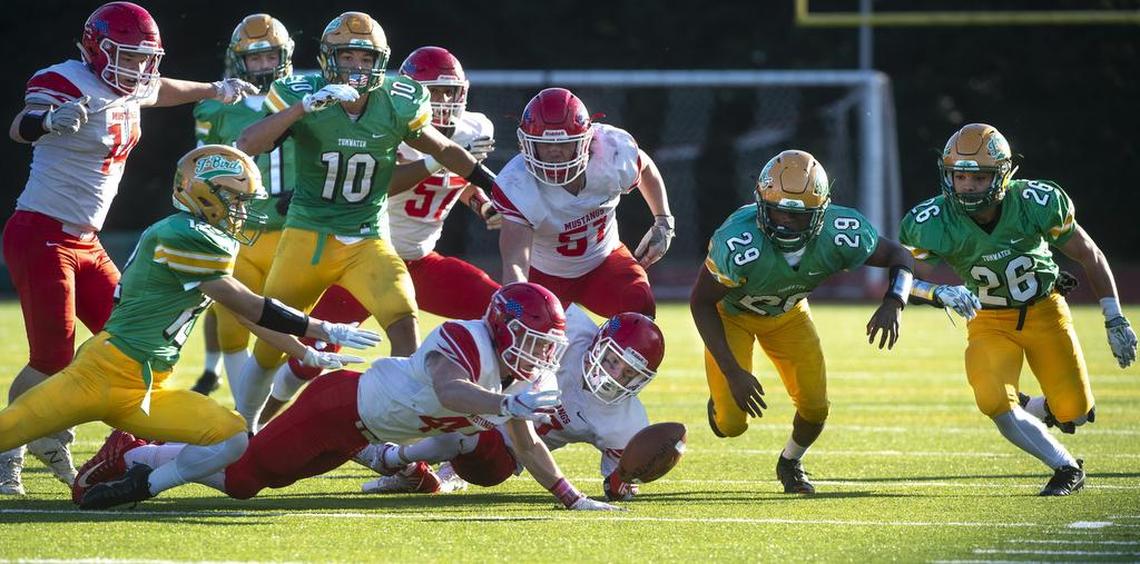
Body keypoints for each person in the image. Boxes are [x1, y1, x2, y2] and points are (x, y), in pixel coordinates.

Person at [0, 145, 379, 505]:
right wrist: (324, 329)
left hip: (148, 388)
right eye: (235, 199)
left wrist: (303, 352)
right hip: (99, 373)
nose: (241, 211)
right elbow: (250, 304)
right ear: (203, 194)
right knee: (8, 429)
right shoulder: (183, 234)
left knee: (233, 438)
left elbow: (244, 314)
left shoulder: (210, 237)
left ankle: (141, 482)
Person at [0, 1, 259, 495]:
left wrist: (214, 89)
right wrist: (50, 120)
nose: (139, 68)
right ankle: (8, 453)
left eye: (144, 58)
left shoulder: (134, 83)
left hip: (86, 240)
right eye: (129, 56)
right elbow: (20, 125)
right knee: (52, 356)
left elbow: (159, 89)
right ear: (97, 48)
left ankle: (92, 439)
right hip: (41, 232)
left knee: (128, 338)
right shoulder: (65, 79)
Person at [76, 283, 620, 512]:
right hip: (335, 409)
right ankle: (136, 452)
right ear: (502, 329)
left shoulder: (517, 379)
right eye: (532, 341)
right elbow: (452, 390)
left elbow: (527, 446)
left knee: (267, 478)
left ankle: (145, 455)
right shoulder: (464, 340)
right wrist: (503, 406)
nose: (538, 356)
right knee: (242, 481)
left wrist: (571, 497)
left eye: (546, 347)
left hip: (360, 430)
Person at [234, 11, 499, 431]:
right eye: (348, 57)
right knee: (272, 344)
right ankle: (245, 427)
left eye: (365, 58)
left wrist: (493, 187)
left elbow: (445, 151)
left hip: (368, 238)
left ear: (380, 62)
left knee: (404, 321)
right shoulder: (303, 92)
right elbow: (248, 142)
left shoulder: (396, 101)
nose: (357, 67)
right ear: (328, 59)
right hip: (308, 237)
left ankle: (400, 425)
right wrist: (303, 108)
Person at [690, 149, 978, 494]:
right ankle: (719, 403)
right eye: (777, 211)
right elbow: (701, 302)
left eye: (797, 215)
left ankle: (790, 462)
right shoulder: (737, 241)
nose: (784, 222)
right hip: (732, 316)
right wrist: (732, 371)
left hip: (788, 316)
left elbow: (898, 255)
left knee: (815, 409)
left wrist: (894, 300)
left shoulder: (839, 232)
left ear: (821, 212)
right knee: (731, 425)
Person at [899, 123, 1137, 496]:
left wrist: (1114, 317)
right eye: (960, 176)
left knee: (1075, 413)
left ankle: (1036, 407)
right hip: (988, 320)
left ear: (1003, 175)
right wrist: (937, 292)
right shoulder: (933, 220)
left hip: (1045, 312)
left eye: (979, 177)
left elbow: (1090, 255)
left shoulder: (1033, 203)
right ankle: (1066, 467)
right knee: (993, 400)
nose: (967, 185)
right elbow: (903, 279)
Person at [358, 307, 665, 501]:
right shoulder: (569, 328)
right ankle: (405, 464)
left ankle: (393, 458)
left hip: (505, 456)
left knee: (466, 433)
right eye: (613, 361)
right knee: (454, 402)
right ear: (598, 343)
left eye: (630, 374)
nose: (615, 376)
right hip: (489, 400)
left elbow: (617, 485)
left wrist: (626, 479)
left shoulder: (628, 423)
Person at [190, 13, 298, 397]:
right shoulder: (216, 108)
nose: (264, 65)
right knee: (233, 324)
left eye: (271, 56)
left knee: (289, 329)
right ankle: (245, 414)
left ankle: (271, 403)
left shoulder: (303, 97)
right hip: (239, 232)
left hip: (292, 232)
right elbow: (202, 169)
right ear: (240, 61)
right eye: (255, 58)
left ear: (284, 56)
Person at [493, 87, 673, 318]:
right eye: (544, 144)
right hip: (543, 274)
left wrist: (663, 221)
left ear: (586, 142)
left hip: (603, 261)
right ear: (527, 144)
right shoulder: (516, 184)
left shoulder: (612, 152)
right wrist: (518, 304)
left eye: (563, 144)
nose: (554, 152)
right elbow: (516, 264)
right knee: (529, 320)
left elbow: (645, 167)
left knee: (639, 305)